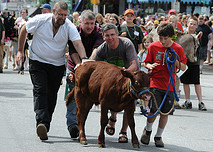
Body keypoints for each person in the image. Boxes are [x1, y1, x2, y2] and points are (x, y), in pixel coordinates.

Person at [16, 1, 87, 141]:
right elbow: (24, 29)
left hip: (57, 64)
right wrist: (20, 51)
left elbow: (77, 43)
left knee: (52, 94)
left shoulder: (68, 26)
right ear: (53, 12)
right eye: (60, 14)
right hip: (37, 61)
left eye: (65, 15)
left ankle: (45, 122)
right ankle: (42, 123)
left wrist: (84, 58)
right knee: (40, 90)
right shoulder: (41, 20)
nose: (62, 17)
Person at [140, 23, 187, 147]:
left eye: (165, 38)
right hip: (155, 83)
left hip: (169, 85)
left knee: (165, 113)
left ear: (171, 37)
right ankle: (148, 130)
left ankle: (158, 136)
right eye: (160, 38)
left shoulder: (177, 49)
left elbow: (183, 67)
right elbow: (145, 63)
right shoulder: (153, 47)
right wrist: (149, 65)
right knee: (153, 111)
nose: (163, 41)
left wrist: (175, 60)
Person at [92, 23, 138, 143]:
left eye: (112, 34)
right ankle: (113, 117)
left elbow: (134, 64)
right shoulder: (102, 48)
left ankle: (123, 131)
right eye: (107, 35)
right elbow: (94, 65)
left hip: (128, 75)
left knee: (129, 104)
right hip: (113, 79)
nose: (110, 38)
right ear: (103, 37)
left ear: (117, 34)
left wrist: (124, 74)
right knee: (110, 94)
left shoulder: (126, 44)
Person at [66, 9, 104, 138]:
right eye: (87, 23)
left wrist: (87, 63)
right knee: (74, 95)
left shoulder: (99, 32)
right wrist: (79, 66)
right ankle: (72, 125)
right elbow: (73, 50)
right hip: (74, 65)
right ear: (80, 21)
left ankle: (81, 124)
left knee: (86, 98)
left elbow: (96, 49)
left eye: (92, 23)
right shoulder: (74, 30)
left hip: (91, 66)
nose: (90, 26)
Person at [180, 16, 207, 111]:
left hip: (194, 62)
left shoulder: (198, 36)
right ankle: (188, 101)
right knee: (185, 82)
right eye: (190, 23)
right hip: (184, 62)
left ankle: (200, 102)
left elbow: (200, 48)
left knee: (197, 82)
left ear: (196, 26)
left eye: (194, 24)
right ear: (187, 24)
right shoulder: (182, 36)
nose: (192, 26)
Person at [138, 35, 153, 113]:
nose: (146, 44)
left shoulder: (153, 52)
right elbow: (138, 61)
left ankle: (147, 106)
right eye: (145, 42)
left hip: (150, 74)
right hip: (142, 73)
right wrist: (143, 64)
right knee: (142, 91)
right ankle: (143, 106)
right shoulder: (141, 53)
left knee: (148, 91)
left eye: (148, 42)